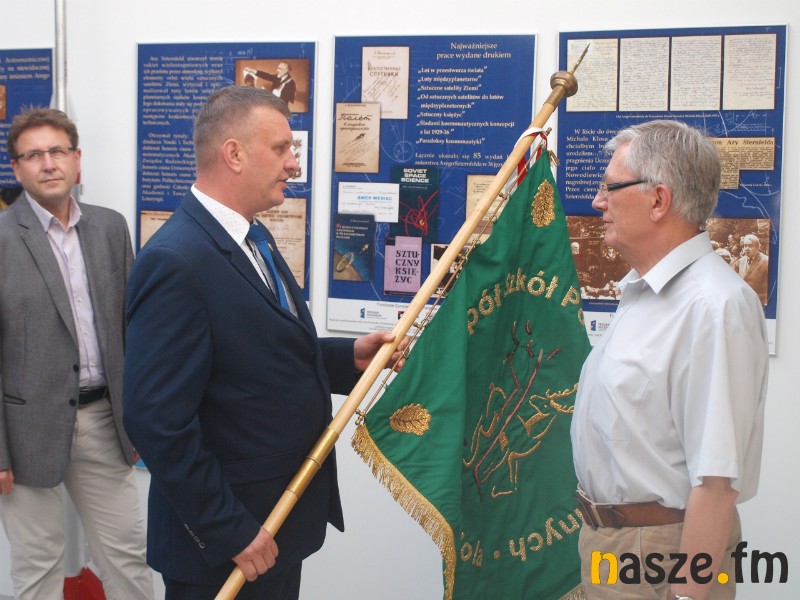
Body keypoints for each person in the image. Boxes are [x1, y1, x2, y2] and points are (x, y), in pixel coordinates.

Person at [122, 85, 402, 600]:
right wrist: (228, 527)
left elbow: (256, 358)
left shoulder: (253, 237)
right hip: (229, 545)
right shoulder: (176, 261)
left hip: (276, 522)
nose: (294, 163)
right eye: (281, 148)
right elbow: (157, 420)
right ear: (234, 154)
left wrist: (347, 357)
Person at [571, 120, 768, 600]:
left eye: (609, 187)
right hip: (615, 544)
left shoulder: (713, 306)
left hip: (660, 554)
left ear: (658, 200)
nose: (598, 202)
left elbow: (717, 482)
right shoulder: (645, 293)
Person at [0, 108, 154, 600]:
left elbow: (131, 332)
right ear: (16, 167)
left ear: (77, 159)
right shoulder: (2, 239)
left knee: (128, 556)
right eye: (33, 155)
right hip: (24, 433)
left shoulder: (110, 228)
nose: (48, 164)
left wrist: (136, 420)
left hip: (103, 421)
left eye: (57, 151)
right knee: (38, 566)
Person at [736, 233, 769, 305]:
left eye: (750, 246)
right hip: (743, 302)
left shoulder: (766, 261)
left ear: (757, 247)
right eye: (745, 246)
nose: (746, 249)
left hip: (759, 303)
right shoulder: (741, 261)